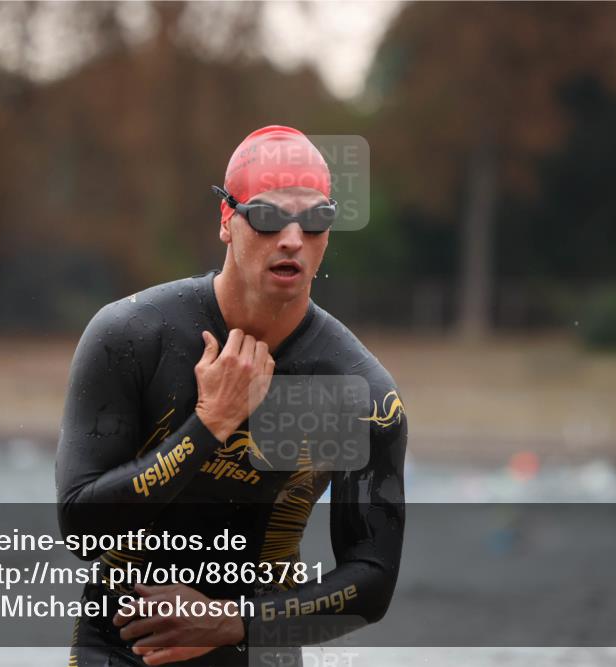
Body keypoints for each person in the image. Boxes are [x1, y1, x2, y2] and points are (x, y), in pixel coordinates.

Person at [56, 125, 407, 667]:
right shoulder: (133, 336)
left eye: (313, 219)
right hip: (123, 647)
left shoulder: (355, 392)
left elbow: (372, 580)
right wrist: (209, 424)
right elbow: (80, 526)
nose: (292, 237)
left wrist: (231, 624)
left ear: (328, 235)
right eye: (268, 217)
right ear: (227, 220)